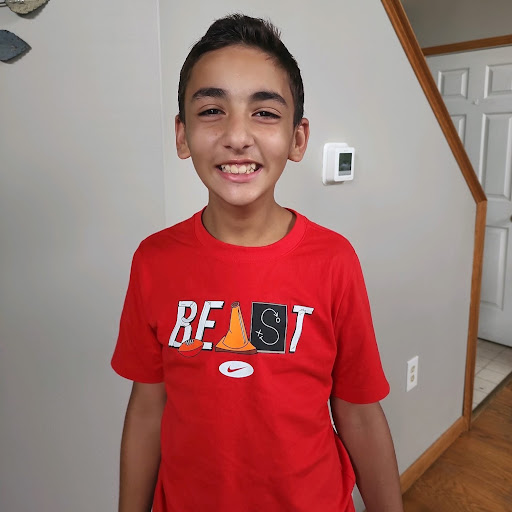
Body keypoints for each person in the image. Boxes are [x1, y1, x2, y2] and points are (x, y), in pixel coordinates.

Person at [112, 13, 404, 512]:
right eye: (212, 110)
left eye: (265, 113)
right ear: (182, 135)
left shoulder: (334, 261)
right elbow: (147, 407)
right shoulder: (153, 260)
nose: (237, 135)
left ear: (298, 138)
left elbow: (358, 411)